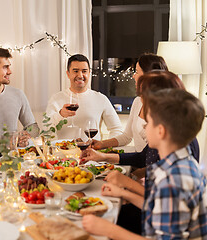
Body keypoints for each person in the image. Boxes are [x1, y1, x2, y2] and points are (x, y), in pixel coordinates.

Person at [83, 88, 207, 239]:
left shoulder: (172, 181)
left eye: (149, 122)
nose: (144, 127)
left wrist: (108, 229)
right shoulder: (178, 162)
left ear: (161, 131)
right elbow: (157, 208)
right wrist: (123, 193)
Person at [92, 53, 168, 152]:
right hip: (138, 160)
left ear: (148, 76)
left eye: (136, 72)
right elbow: (127, 137)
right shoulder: (138, 102)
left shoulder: (164, 108)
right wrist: (101, 144)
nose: (133, 76)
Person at [46, 54, 122, 141]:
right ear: (68, 74)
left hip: (91, 153)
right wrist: (60, 114)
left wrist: (104, 147)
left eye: (84, 71)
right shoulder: (56, 99)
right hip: (64, 152)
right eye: (75, 71)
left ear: (89, 73)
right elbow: (45, 128)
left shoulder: (101, 99)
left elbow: (117, 129)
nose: (80, 75)